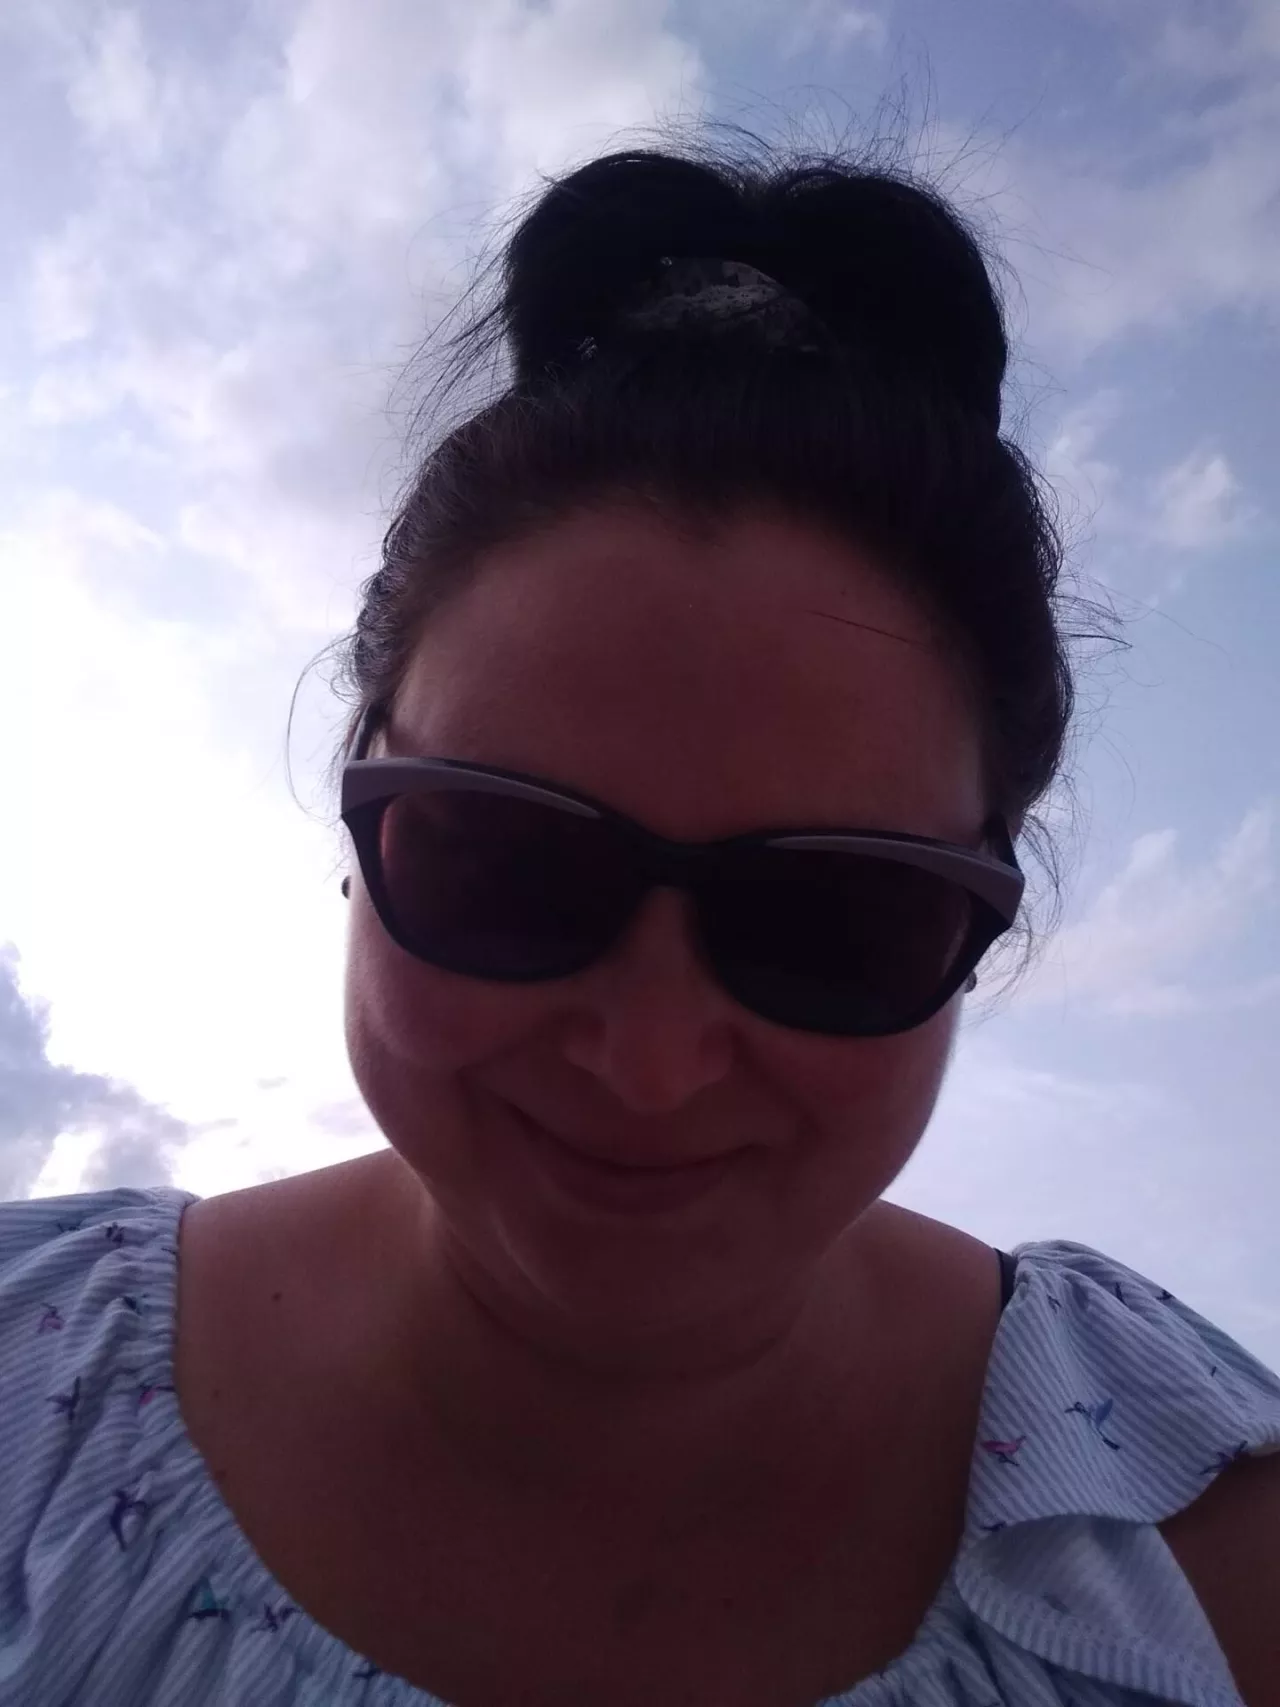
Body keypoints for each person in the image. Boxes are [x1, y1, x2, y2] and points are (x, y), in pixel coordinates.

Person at [0, 140, 1277, 1707]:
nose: (650, 1062)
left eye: (836, 918)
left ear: (983, 919)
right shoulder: (26, 1395)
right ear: (357, 804)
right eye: (507, 862)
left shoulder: (1199, 1535)